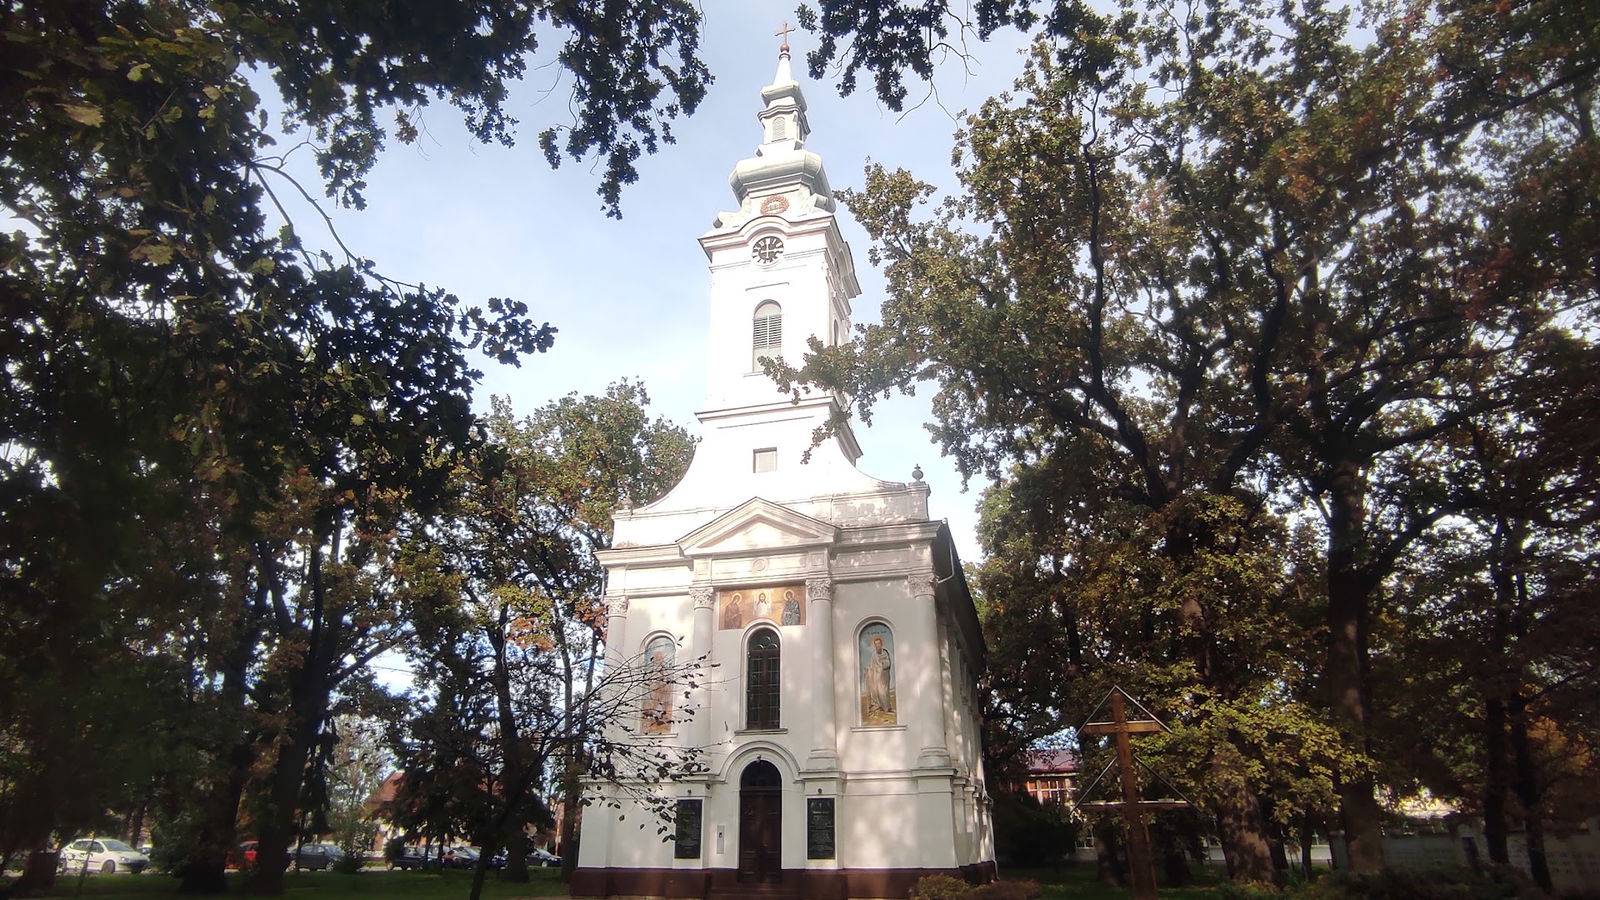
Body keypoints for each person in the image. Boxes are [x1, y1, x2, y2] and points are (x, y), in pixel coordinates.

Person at [864, 634, 893, 721]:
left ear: (881, 644)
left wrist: (882, 664)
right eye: (876, 644)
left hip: (884, 675)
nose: (878, 645)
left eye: (879, 644)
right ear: (874, 645)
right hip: (877, 676)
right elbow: (872, 665)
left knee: (884, 692)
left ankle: (886, 707)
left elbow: (888, 663)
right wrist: (869, 670)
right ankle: (878, 705)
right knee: (877, 691)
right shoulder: (874, 655)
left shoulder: (885, 652)